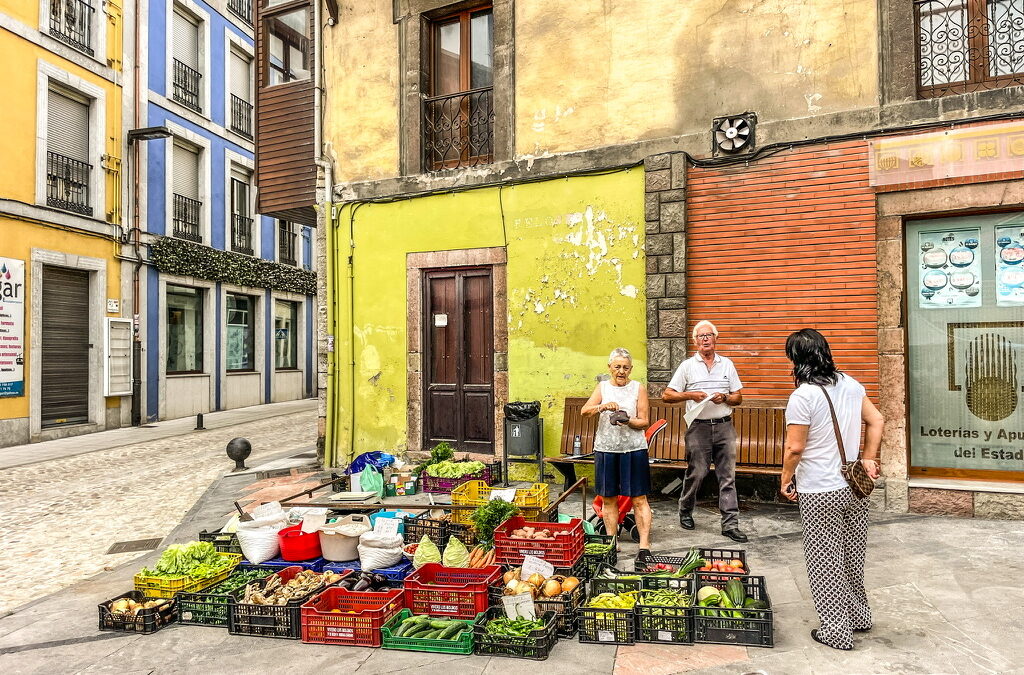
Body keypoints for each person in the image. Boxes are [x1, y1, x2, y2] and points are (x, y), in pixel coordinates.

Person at [780, 328, 883, 651]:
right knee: (852, 556)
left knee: (825, 560)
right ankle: (859, 616)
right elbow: (877, 420)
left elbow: (795, 448)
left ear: (796, 360)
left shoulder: (803, 396)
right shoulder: (851, 384)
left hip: (819, 490)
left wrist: (785, 478)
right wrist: (867, 459)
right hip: (853, 486)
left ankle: (836, 630)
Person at [663, 320, 747, 543]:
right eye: (701, 336)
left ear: (716, 338)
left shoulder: (727, 364)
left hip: (724, 425)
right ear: (695, 342)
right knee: (697, 472)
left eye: (709, 335)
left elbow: (738, 397)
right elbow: (667, 395)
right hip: (698, 427)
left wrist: (726, 397)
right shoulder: (687, 366)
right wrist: (691, 395)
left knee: (727, 476)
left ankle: (730, 524)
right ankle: (685, 509)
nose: (705, 339)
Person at [580, 347, 652, 558]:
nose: (621, 371)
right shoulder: (602, 387)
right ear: (610, 367)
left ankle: (644, 546)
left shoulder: (638, 388)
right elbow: (585, 411)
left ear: (631, 369)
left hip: (634, 449)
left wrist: (628, 420)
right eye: (617, 367)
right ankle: (612, 543)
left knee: (639, 499)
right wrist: (602, 407)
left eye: (626, 367)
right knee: (608, 498)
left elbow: (644, 421)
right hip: (606, 449)